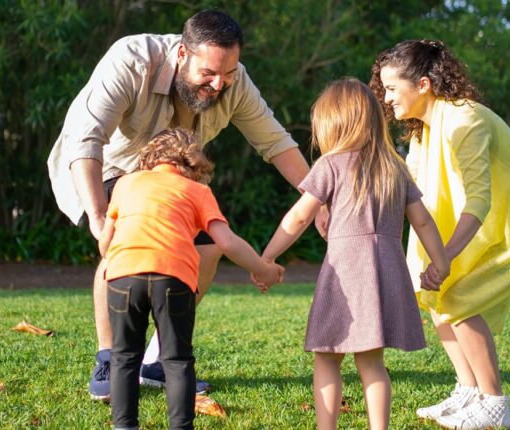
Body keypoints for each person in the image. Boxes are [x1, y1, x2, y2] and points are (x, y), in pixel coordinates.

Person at [47, 10, 325, 401]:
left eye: (228, 74)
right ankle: (110, 358)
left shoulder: (233, 82)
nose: (219, 84)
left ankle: (157, 361)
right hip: (113, 168)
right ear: (182, 54)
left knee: (207, 250)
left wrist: (318, 198)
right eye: (209, 73)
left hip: (176, 180)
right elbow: (86, 140)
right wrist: (97, 217)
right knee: (126, 239)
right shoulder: (133, 60)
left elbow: (276, 143)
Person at [370, 40, 510, 430]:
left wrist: (446, 257)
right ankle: (468, 390)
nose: (385, 99)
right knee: (436, 294)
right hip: (486, 222)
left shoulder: (464, 119)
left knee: (457, 294)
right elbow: (412, 191)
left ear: (422, 84)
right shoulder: (422, 131)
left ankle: (493, 405)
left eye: (391, 88)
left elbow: (479, 200)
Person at [258, 78, 450, 430]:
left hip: (346, 275)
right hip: (385, 273)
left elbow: (300, 217)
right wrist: (441, 262)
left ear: (333, 124)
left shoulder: (330, 166)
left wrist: (267, 257)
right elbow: (422, 222)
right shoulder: (395, 168)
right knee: (372, 363)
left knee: (327, 357)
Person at [98, 128, 283, 430]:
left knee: (124, 356)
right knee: (177, 360)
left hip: (123, 278)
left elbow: (106, 241)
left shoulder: (125, 184)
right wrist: (264, 269)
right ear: (195, 167)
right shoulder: (198, 191)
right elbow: (227, 242)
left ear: (148, 160)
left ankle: (124, 426)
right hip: (173, 277)